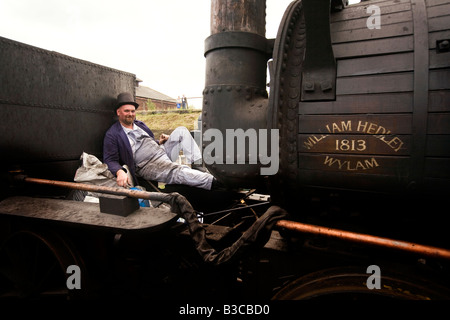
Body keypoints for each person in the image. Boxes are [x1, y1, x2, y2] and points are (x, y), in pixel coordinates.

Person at [103, 92, 215, 190]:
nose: (130, 114)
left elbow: (148, 141)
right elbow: (110, 159)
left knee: (181, 131)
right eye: (126, 111)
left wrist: (159, 141)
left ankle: (199, 168)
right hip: (147, 164)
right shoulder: (113, 134)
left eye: (133, 111)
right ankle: (213, 182)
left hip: (161, 151)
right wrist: (119, 171)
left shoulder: (139, 124)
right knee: (177, 171)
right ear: (118, 112)